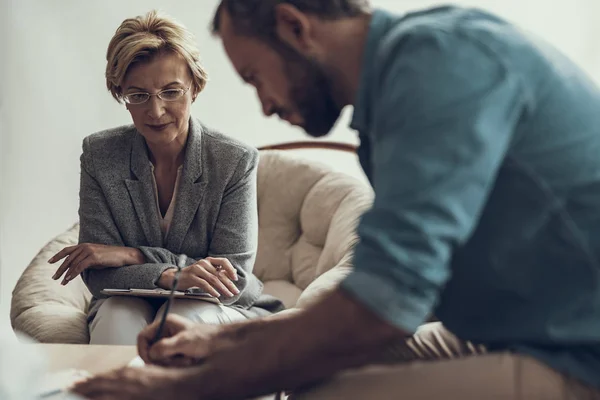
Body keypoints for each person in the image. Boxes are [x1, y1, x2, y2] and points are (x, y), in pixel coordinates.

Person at [72, 1, 600, 399]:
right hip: (513, 331)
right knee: (310, 371)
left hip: (578, 350)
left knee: (320, 393)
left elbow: (381, 306)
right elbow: (405, 294)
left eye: (256, 77)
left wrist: (178, 388)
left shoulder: (434, 69)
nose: (265, 104)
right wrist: (225, 344)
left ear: (295, 27)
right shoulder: (399, 87)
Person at [49, 9, 282, 346]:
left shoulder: (234, 160)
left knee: (180, 319)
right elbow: (99, 274)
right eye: (139, 95)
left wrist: (134, 256)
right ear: (121, 95)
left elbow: (231, 278)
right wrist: (175, 274)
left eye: (171, 92)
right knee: (117, 315)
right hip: (124, 302)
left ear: (195, 88)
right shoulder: (100, 155)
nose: (155, 111)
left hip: (214, 305)